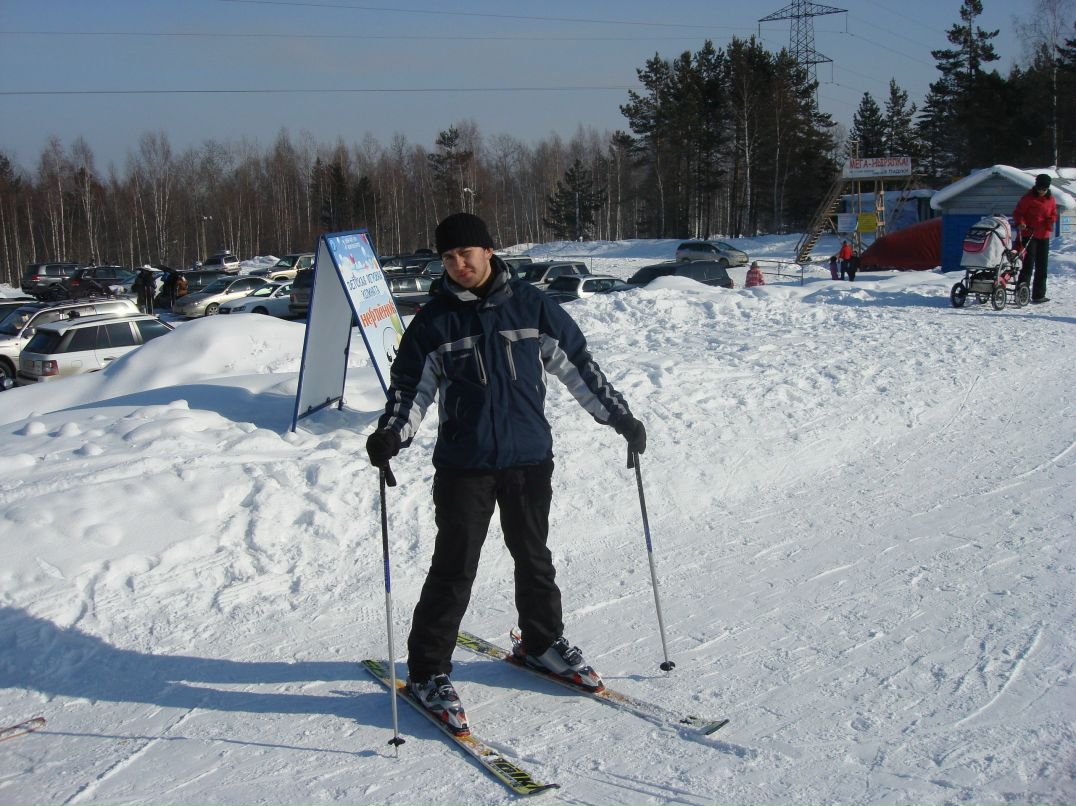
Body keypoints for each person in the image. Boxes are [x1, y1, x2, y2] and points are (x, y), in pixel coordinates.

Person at [365, 212, 646, 735]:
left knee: (533, 556)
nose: (458, 264)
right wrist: (391, 437)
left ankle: (541, 643)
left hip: (528, 460)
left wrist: (620, 418)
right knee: (454, 568)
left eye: (465, 253)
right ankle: (427, 671)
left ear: (489, 251)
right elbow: (409, 394)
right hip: (463, 467)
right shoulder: (433, 323)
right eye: (448, 257)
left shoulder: (533, 307)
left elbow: (579, 367)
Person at [1012, 173, 1058, 304]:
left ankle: (1039, 295)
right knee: (1028, 265)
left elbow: (1054, 213)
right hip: (1029, 234)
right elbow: (1018, 213)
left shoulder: (1051, 199)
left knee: (1042, 266)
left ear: (1048, 188)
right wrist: (1020, 222)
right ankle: (1022, 293)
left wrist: (1051, 220)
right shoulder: (1028, 198)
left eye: (1044, 189)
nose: (1041, 191)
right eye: (1039, 189)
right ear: (1036, 187)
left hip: (1044, 235)